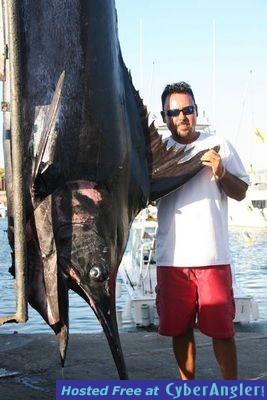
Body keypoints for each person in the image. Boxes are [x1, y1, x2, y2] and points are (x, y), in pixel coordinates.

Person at [155, 81, 249, 380]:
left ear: (197, 111)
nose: (182, 117)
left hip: (213, 257)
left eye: (188, 110)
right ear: (164, 116)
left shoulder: (219, 143)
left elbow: (241, 192)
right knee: (179, 330)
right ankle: (188, 390)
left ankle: (231, 390)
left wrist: (221, 172)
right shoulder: (156, 151)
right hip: (172, 259)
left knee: (222, 331)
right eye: (174, 112)